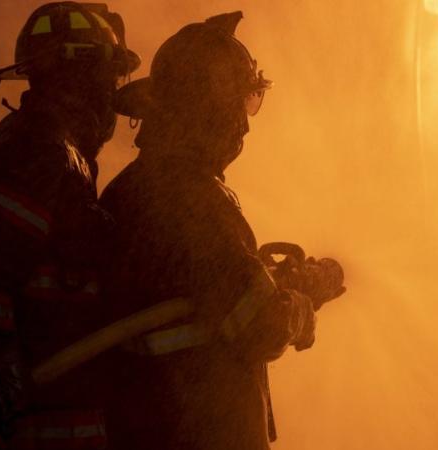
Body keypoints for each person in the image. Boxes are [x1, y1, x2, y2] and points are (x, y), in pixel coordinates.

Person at [99, 11, 345, 450]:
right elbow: (257, 323)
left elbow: (208, 297)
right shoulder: (187, 197)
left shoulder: (133, 190)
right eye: (239, 105)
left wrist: (276, 282)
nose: (246, 124)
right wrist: (301, 306)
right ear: (204, 109)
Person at [0, 2, 139, 448]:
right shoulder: (37, 149)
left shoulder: (60, 155)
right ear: (79, 74)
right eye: (110, 78)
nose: (114, 95)